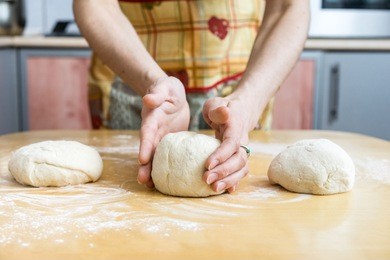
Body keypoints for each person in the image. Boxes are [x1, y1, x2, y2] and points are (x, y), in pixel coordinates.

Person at [73, 0, 310, 194]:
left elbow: (287, 7)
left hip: (242, 84)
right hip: (135, 77)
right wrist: (153, 82)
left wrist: (248, 104)